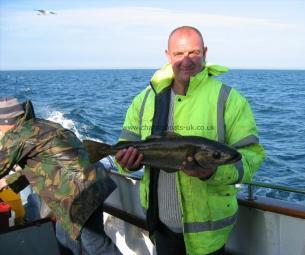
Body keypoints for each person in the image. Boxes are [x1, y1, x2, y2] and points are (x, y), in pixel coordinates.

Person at [115, 26, 265, 255]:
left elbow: (250, 159)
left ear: (205, 52)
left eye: (194, 52)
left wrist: (210, 172)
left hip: (208, 235)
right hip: (160, 225)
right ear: (168, 55)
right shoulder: (144, 99)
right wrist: (126, 162)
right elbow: (125, 144)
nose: (187, 60)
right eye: (179, 54)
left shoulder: (229, 99)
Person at [0, 97, 122, 255]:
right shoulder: (40, 125)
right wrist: (8, 183)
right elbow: (42, 165)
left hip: (78, 193)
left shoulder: (16, 136)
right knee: (64, 239)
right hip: (93, 182)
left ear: (5, 121)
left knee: (96, 244)